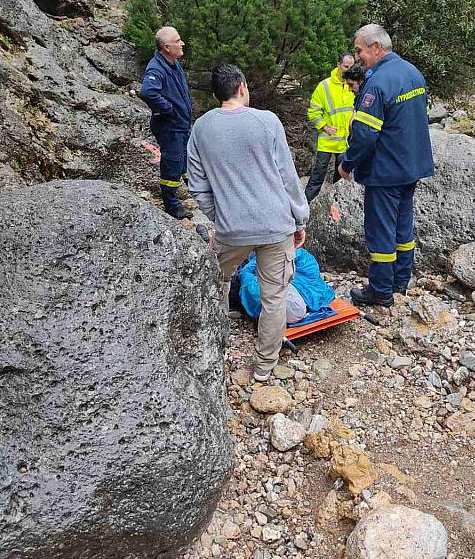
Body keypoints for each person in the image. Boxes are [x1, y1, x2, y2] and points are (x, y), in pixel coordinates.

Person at [187, 63, 309, 382]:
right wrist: (300, 220)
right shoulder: (267, 121)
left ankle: (209, 349)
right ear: (242, 87)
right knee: (274, 297)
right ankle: (263, 368)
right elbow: (287, 177)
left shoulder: (201, 128)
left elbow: (197, 184)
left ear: (216, 95)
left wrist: (219, 215)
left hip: (232, 229)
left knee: (215, 281)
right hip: (276, 225)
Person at [338, 24, 434, 307]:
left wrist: (348, 163)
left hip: (385, 170)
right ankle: (400, 280)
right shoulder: (412, 72)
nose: (357, 58)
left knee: (381, 231)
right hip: (411, 166)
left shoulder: (377, 82)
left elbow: (366, 134)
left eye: (359, 50)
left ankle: (380, 290)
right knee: (403, 227)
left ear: (376, 47)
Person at [140, 26, 193, 220]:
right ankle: (172, 207)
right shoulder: (156, 67)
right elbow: (147, 92)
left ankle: (195, 193)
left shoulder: (173, 63)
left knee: (185, 161)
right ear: (167, 47)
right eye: (178, 40)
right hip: (170, 126)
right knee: (172, 164)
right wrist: (168, 109)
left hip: (181, 125)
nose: (182, 43)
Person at [305, 52, 356, 202]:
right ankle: (305, 207)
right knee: (317, 177)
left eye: (352, 67)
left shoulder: (353, 85)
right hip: (327, 140)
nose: (349, 69)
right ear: (338, 65)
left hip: (345, 141)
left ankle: (334, 207)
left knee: (341, 178)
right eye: (346, 66)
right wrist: (324, 127)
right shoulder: (325, 86)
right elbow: (313, 111)